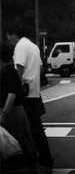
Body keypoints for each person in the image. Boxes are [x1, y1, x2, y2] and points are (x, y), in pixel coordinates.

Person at [6, 27, 54, 172]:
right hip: (34, 93)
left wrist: (14, 87)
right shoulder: (33, 46)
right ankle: (43, 160)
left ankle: (36, 161)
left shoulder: (20, 46)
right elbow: (41, 69)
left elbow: (19, 69)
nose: (10, 42)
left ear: (13, 35)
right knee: (35, 129)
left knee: (25, 129)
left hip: (25, 94)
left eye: (9, 38)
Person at [0, 41, 40, 173]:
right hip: (15, 111)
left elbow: (11, 95)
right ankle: (31, 167)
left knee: (19, 142)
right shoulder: (8, 70)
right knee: (21, 142)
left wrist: (4, 114)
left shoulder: (7, 71)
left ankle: (31, 168)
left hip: (13, 112)